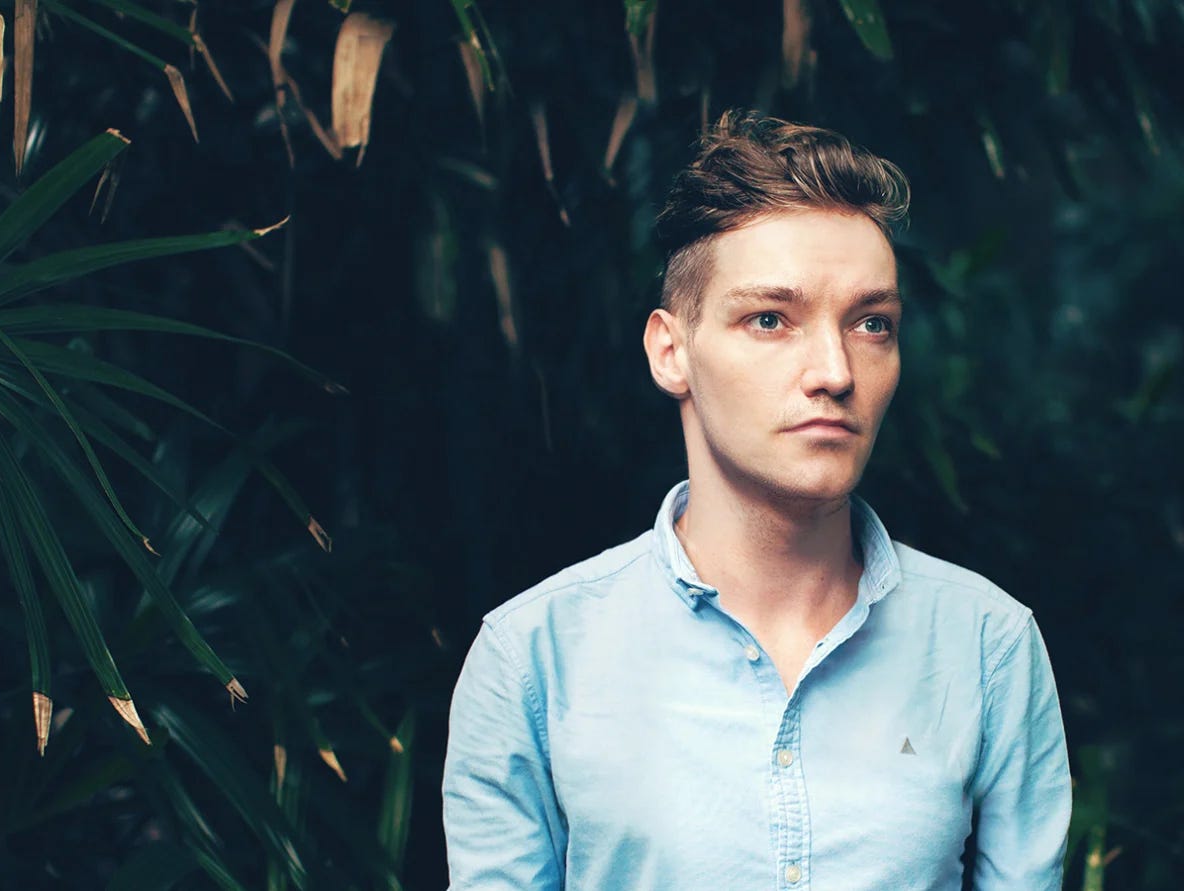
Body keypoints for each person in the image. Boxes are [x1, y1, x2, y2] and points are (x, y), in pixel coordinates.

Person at [442, 110, 1071, 890]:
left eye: (872, 323)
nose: (835, 371)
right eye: (770, 319)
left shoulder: (987, 645)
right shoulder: (532, 659)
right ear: (670, 351)